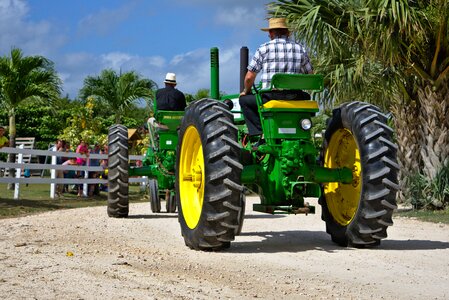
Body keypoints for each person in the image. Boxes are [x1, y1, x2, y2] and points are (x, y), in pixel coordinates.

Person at [239, 17, 314, 147]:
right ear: (288, 33)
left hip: (271, 97)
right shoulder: (300, 48)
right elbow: (311, 75)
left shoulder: (264, 48)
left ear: (271, 33)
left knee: (245, 101)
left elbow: (249, 77)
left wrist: (246, 91)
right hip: (296, 98)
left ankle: (261, 133)